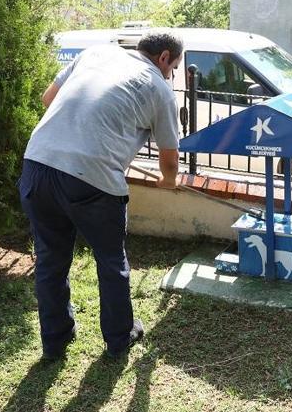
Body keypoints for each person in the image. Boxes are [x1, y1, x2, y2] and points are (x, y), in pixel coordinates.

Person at [18, 31, 182, 360]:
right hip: (91, 181)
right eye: (174, 67)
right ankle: (119, 338)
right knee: (110, 260)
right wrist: (168, 181)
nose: (172, 74)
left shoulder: (95, 53)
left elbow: (48, 99)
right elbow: (170, 159)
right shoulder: (158, 87)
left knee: (50, 259)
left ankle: (55, 342)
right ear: (164, 57)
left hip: (37, 165)